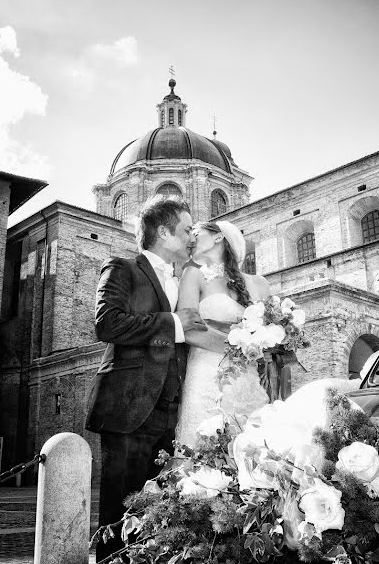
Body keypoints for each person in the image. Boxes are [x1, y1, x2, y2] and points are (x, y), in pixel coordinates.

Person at [85, 195, 207, 562]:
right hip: (128, 408)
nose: (191, 237)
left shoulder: (185, 279)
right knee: (120, 513)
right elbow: (107, 323)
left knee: (155, 513)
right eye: (186, 230)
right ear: (164, 232)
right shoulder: (123, 268)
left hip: (170, 412)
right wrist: (173, 324)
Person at [174, 220, 272, 447]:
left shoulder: (258, 283)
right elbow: (188, 331)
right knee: (206, 443)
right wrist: (239, 346)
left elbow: (271, 332)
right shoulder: (193, 274)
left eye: (196, 233)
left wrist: (268, 341)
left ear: (218, 237)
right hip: (207, 374)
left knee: (254, 444)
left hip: (247, 377)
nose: (191, 239)